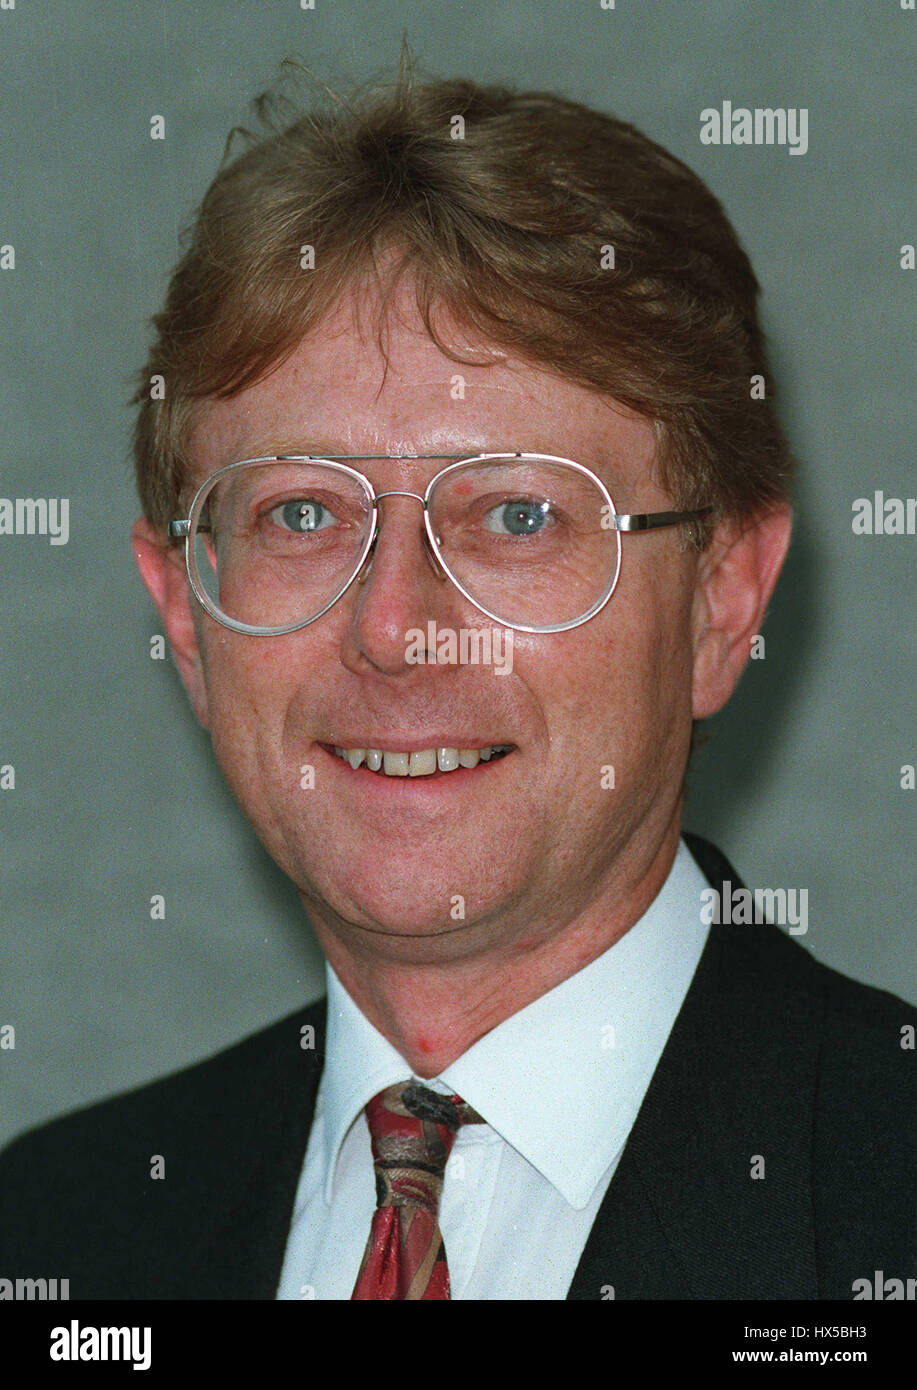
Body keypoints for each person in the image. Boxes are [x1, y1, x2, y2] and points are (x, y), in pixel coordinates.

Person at [1, 61, 914, 1302]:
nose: (394, 629)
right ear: (183, 607)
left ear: (723, 596)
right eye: (302, 511)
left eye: (517, 514)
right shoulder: (54, 1235)